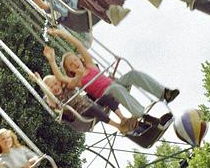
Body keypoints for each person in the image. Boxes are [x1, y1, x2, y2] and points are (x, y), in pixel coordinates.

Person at [44, 28, 178, 124]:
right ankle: (143, 115)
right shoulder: (76, 80)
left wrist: (61, 33)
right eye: (70, 64)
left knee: (133, 74)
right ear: (69, 70)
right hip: (107, 94)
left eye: (74, 60)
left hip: (115, 84)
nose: (74, 63)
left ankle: (164, 93)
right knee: (114, 88)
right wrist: (51, 60)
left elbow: (79, 45)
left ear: (79, 59)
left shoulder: (90, 65)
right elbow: (60, 78)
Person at [30, 71, 138, 134]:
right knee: (91, 108)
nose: (54, 87)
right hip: (80, 117)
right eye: (50, 87)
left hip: (89, 105)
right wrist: (39, 82)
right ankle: (119, 126)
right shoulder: (52, 99)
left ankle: (123, 119)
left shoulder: (67, 87)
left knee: (106, 96)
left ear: (58, 82)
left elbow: (67, 79)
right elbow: (52, 102)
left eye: (55, 84)